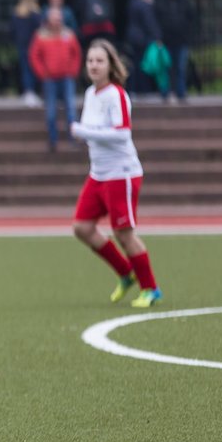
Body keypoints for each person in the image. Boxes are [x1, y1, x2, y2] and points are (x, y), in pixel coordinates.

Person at [69, 40, 163, 308]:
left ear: (110, 65)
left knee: (124, 233)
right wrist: (86, 134)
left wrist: (84, 132)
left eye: (100, 61)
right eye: (90, 61)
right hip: (98, 174)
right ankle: (126, 272)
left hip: (121, 174)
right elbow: (94, 133)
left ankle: (151, 288)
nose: (94, 66)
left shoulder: (116, 94)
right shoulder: (90, 94)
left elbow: (122, 133)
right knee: (82, 227)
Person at [28, 7, 82, 153]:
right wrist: (42, 73)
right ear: (48, 19)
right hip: (50, 79)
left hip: (66, 77)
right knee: (51, 112)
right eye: (55, 17)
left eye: (59, 17)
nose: (58, 19)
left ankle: (74, 140)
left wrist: (73, 70)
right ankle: (53, 141)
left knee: (71, 109)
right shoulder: (41, 35)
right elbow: (34, 56)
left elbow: (76, 53)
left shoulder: (68, 34)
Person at [154, 0, 196, 103]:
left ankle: (181, 93)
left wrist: (188, 35)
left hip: (181, 40)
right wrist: (158, 38)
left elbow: (191, 18)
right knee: (165, 69)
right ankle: (165, 93)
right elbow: (155, 22)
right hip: (165, 42)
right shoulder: (160, 3)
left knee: (180, 68)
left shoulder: (184, 1)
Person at [123, 0, 161, 94]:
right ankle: (144, 90)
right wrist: (157, 37)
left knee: (136, 63)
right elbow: (149, 22)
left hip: (133, 38)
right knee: (143, 65)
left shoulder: (132, 3)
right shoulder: (144, 4)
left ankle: (134, 89)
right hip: (142, 39)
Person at [10, 0, 43, 106]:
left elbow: (12, 30)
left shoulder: (17, 13)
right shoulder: (35, 14)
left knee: (25, 69)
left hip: (21, 45)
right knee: (32, 69)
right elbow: (40, 30)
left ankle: (28, 92)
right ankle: (31, 92)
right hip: (33, 45)